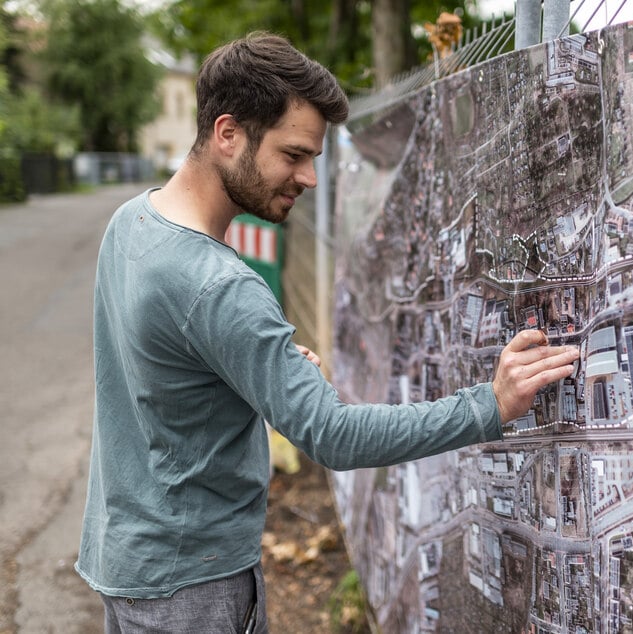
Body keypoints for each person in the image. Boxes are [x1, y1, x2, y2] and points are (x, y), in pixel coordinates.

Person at [75, 31, 579, 633]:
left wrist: (247, 370)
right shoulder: (221, 288)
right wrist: (489, 405)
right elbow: (334, 436)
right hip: (194, 585)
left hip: (128, 560)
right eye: (293, 155)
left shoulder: (131, 221)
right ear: (227, 133)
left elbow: (154, 372)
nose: (309, 177)